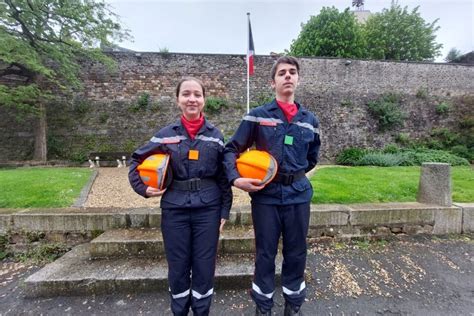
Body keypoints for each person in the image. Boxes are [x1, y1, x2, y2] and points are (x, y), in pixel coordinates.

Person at [223, 56, 321, 316]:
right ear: (273, 82)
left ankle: (293, 305)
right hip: (266, 197)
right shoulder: (257, 117)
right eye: (282, 73)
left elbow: (312, 158)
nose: (287, 76)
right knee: (265, 254)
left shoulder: (310, 120)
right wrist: (236, 178)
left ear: (298, 79)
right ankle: (263, 307)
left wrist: (293, 177)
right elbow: (231, 149)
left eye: (292, 72)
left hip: (298, 196)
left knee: (297, 252)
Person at [129, 77, 232, 316]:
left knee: (204, 267)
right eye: (186, 94)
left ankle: (201, 311)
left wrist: (224, 210)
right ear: (178, 100)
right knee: (178, 267)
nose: (192, 99)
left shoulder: (216, 136)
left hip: (208, 209)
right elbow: (136, 160)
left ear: (204, 100)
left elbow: (223, 177)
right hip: (175, 209)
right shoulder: (165, 136)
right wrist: (142, 188)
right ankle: (179, 311)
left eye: (197, 94)